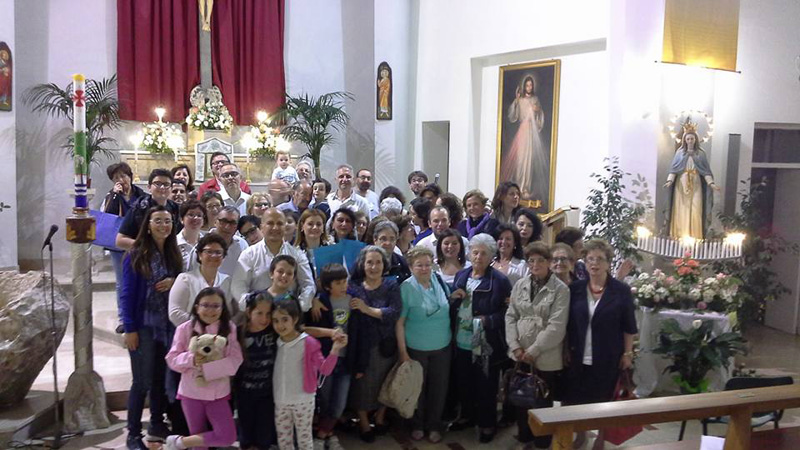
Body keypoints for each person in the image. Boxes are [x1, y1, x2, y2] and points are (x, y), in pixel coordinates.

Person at [119, 205, 183, 449]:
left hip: (167, 325)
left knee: (160, 379)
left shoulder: (172, 253)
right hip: (144, 325)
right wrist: (129, 328)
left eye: (167, 221)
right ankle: (133, 434)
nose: (163, 225)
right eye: (158, 220)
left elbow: (182, 282)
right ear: (148, 225)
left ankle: (156, 424)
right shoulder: (136, 254)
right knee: (141, 382)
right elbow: (126, 294)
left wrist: (174, 280)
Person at [565, 239, 637, 449]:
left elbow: (629, 326)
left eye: (599, 259)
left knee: (605, 401)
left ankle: (601, 438)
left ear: (608, 263)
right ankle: (581, 434)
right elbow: (568, 324)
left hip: (608, 355)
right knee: (577, 399)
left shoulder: (620, 290)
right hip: (578, 354)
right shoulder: (575, 289)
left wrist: (628, 353)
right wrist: (565, 349)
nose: (594, 263)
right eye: (590, 259)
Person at [506, 242, 569, 450]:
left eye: (540, 260)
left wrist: (534, 350)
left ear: (549, 262)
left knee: (542, 401)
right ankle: (524, 437)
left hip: (545, 354)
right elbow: (511, 316)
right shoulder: (520, 284)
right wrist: (515, 346)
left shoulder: (561, 289)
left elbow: (556, 326)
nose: (535, 265)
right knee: (521, 398)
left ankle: (542, 443)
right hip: (520, 352)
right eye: (531, 261)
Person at [449, 233, 512, 443]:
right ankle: (468, 416)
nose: (478, 257)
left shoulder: (500, 281)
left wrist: (489, 320)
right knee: (464, 381)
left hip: (485, 342)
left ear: (492, 256)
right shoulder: (462, 275)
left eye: (484, 253)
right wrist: (453, 299)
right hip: (461, 338)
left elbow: (508, 312)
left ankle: (487, 423)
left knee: (486, 385)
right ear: (469, 253)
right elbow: (454, 303)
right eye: (475, 252)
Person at [164, 287, 242, 450]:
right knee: (199, 442)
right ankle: (182, 443)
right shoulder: (184, 328)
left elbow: (235, 360)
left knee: (227, 436)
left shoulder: (229, 328)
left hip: (218, 394)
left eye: (216, 306)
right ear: (196, 307)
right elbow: (172, 359)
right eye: (205, 305)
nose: (210, 310)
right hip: (191, 393)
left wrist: (208, 368)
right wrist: (191, 359)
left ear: (223, 308)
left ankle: (179, 442)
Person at [272, 297, 346, 450]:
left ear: (295, 319)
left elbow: (325, 369)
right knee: (284, 441)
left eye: (285, 319)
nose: (280, 325)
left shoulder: (308, 342)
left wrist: (335, 350)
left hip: (303, 401)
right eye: (276, 320)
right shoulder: (276, 342)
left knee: (304, 440)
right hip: (280, 401)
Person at [347, 246, 403, 443]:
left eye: (378, 262)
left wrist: (367, 309)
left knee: (386, 383)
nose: (374, 266)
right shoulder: (353, 286)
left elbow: (394, 312)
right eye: (369, 262)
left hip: (387, 345)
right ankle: (363, 422)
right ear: (362, 265)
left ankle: (380, 416)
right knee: (362, 387)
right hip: (362, 346)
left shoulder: (391, 285)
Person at [397, 246, 451, 444]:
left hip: (443, 345)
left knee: (439, 389)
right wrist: (403, 352)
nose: (424, 268)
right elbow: (400, 323)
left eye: (428, 264)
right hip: (416, 347)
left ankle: (434, 425)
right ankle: (417, 425)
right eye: (419, 265)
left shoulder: (438, 280)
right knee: (417, 389)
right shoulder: (406, 288)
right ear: (411, 267)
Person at [305, 263, 356, 450]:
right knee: (324, 401)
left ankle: (323, 434)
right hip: (325, 360)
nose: (343, 286)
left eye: (345, 281)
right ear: (327, 286)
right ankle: (328, 434)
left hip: (346, 360)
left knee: (339, 404)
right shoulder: (320, 302)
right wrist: (330, 332)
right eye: (338, 283)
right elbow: (305, 329)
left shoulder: (354, 300)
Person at [231, 208, 315, 312]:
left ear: (285, 227)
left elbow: (308, 284)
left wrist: (298, 307)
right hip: (257, 314)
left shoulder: (297, 254)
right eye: (270, 223)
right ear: (262, 227)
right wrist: (252, 307)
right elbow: (238, 286)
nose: (275, 228)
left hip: (287, 314)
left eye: (280, 223)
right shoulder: (248, 255)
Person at [102, 162, 146, 333]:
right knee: (122, 282)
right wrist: (115, 196)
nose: (121, 180)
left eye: (123, 176)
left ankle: (140, 314)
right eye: (116, 178)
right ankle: (123, 318)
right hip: (119, 246)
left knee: (141, 279)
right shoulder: (111, 196)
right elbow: (107, 217)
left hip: (139, 244)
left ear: (130, 177)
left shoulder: (141, 195)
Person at [236, 292, 278, 450]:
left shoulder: (274, 331)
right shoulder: (239, 333)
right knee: (246, 434)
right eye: (259, 313)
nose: (264, 319)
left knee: (264, 435)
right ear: (249, 312)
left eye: (268, 314)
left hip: (267, 393)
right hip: (244, 393)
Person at [499, 75, 550, 202]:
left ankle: (526, 188)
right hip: (523, 131)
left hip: (531, 133)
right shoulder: (520, 100)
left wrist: (537, 111)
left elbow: (540, 116)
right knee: (521, 160)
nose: (529, 87)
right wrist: (516, 101)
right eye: (527, 85)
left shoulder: (535, 100)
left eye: (531, 85)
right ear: (524, 86)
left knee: (529, 161)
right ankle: (519, 188)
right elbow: (513, 116)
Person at [664, 129, 719, 239]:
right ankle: (679, 235)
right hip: (681, 184)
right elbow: (674, 170)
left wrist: (711, 183)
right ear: (684, 140)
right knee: (681, 208)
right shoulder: (679, 153)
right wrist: (669, 181)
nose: (690, 141)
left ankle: (695, 236)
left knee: (696, 209)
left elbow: (706, 171)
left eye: (692, 139)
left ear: (695, 140)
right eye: (688, 139)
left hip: (696, 183)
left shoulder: (701, 154)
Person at [169, 234, 232, 326]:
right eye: (208, 252)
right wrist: (202, 326)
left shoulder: (227, 281)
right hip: (190, 331)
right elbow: (175, 313)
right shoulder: (185, 279)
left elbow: (227, 312)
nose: (213, 255)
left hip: (219, 332)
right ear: (199, 255)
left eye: (218, 252)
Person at [116, 168, 180, 251]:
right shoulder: (138, 208)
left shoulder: (175, 208)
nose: (162, 187)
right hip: (143, 255)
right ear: (149, 187)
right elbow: (120, 241)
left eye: (166, 184)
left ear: (171, 188)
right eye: (157, 184)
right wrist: (148, 248)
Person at [186, 206, 248, 276]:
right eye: (223, 221)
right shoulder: (202, 246)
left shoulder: (242, 245)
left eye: (232, 223)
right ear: (215, 222)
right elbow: (191, 276)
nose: (227, 226)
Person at [295, 208, 329, 279]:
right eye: (310, 224)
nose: (315, 227)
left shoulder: (333, 250)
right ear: (302, 226)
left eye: (319, 224)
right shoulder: (294, 253)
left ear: (323, 227)